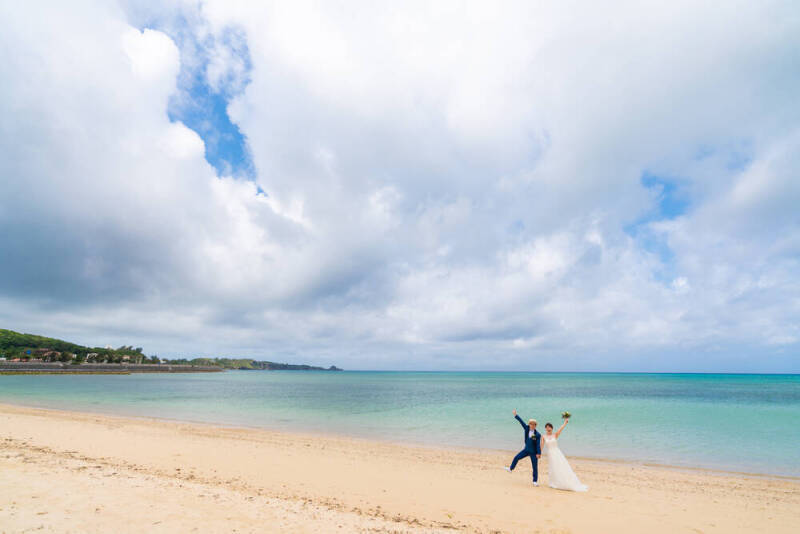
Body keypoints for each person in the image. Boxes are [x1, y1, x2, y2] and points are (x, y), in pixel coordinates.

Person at [542, 419, 588, 492]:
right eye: (547, 427)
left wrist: (565, 423)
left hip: (557, 452)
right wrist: (538, 453)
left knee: (561, 466)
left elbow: (561, 429)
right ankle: (554, 482)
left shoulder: (555, 435)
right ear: (545, 428)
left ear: (552, 428)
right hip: (550, 454)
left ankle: (565, 481)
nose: (548, 428)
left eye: (549, 427)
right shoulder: (543, 437)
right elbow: (541, 446)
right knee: (553, 468)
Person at [504, 409, 541, 485]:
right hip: (526, 450)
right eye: (531, 424)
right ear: (529, 424)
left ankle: (535, 481)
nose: (532, 425)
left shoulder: (537, 434)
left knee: (535, 467)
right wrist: (515, 415)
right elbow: (521, 422)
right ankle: (511, 468)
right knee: (516, 457)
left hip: (534, 452)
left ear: (535, 425)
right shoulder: (527, 428)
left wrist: (539, 453)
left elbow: (538, 444)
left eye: (533, 424)